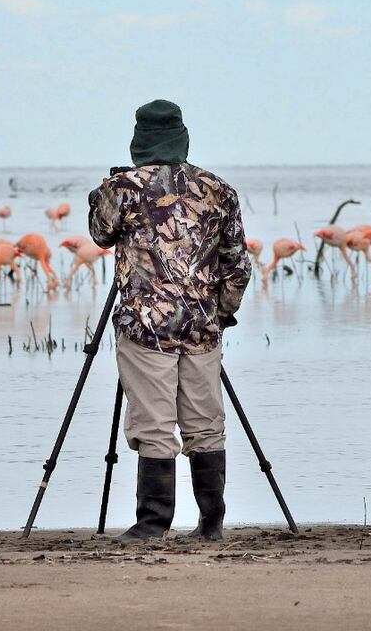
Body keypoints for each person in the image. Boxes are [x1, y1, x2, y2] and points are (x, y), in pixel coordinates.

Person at [88, 99, 252, 541]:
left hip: (145, 327)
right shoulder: (218, 189)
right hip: (202, 328)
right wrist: (222, 312)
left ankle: (152, 524)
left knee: (154, 424)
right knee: (205, 422)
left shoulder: (122, 189)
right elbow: (238, 265)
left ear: (139, 140)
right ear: (182, 138)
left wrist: (101, 192)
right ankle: (211, 523)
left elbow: (102, 234)